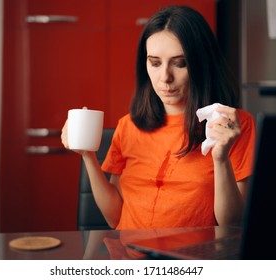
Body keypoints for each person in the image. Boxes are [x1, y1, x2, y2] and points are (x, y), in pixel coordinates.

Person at [61, 5, 256, 230]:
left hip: (188, 261)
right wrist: (88, 156)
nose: (165, 78)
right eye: (155, 63)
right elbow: (116, 219)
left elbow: (232, 224)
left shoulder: (231, 126)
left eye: (180, 63)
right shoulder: (129, 126)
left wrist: (220, 158)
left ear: (201, 64)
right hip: (129, 258)